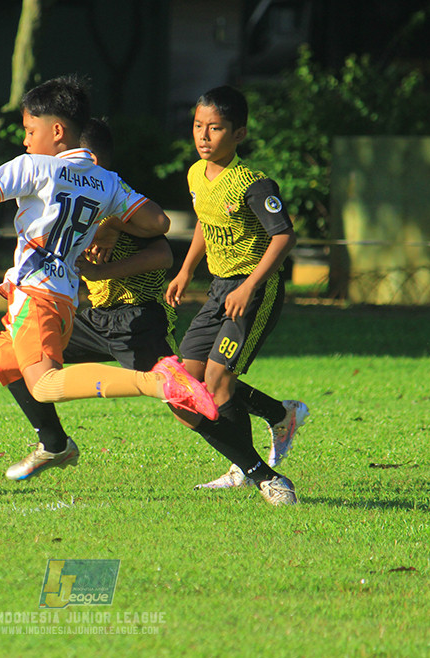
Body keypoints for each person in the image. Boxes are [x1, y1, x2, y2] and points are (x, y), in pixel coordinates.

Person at [0, 76, 217, 500]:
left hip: (36, 296)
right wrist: (111, 224)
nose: (27, 142)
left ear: (57, 131)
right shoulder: (106, 181)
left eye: (31, 131)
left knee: (44, 386)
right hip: (62, 301)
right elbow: (158, 223)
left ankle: (159, 381)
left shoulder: (34, 167)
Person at [3, 117, 180, 481]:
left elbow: (163, 253)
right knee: (13, 360)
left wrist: (108, 243)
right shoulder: (79, 200)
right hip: (96, 317)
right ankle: (53, 443)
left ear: (88, 160)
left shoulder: (122, 203)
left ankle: (259, 461)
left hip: (136, 319)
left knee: (184, 400)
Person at [164, 85, 308, 506]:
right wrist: (186, 269)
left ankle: (250, 472)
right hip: (219, 289)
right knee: (187, 382)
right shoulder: (195, 174)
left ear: (239, 134)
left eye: (216, 128)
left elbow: (284, 237)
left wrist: (249, 286)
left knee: (219, 382)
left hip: (255, 289)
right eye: (198, 126)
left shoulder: (254, 185)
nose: (204, 136)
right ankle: (282, 416)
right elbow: (206, 225)